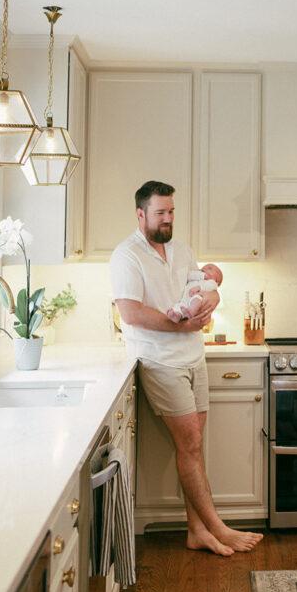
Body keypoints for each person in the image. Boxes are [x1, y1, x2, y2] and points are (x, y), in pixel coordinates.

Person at [109, 180, 262, 557]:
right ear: (141, 214)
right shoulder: (126, 255)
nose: (167, 219)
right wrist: (181, 324)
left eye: (171, 212)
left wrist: (212, 296)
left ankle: (197, 531)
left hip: (194, 357)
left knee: (193, 448)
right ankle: (217, 527)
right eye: (160, 213)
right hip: (160, 361)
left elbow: (203, 286)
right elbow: (130, 312)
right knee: (190, 445)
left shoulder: (182, 250)